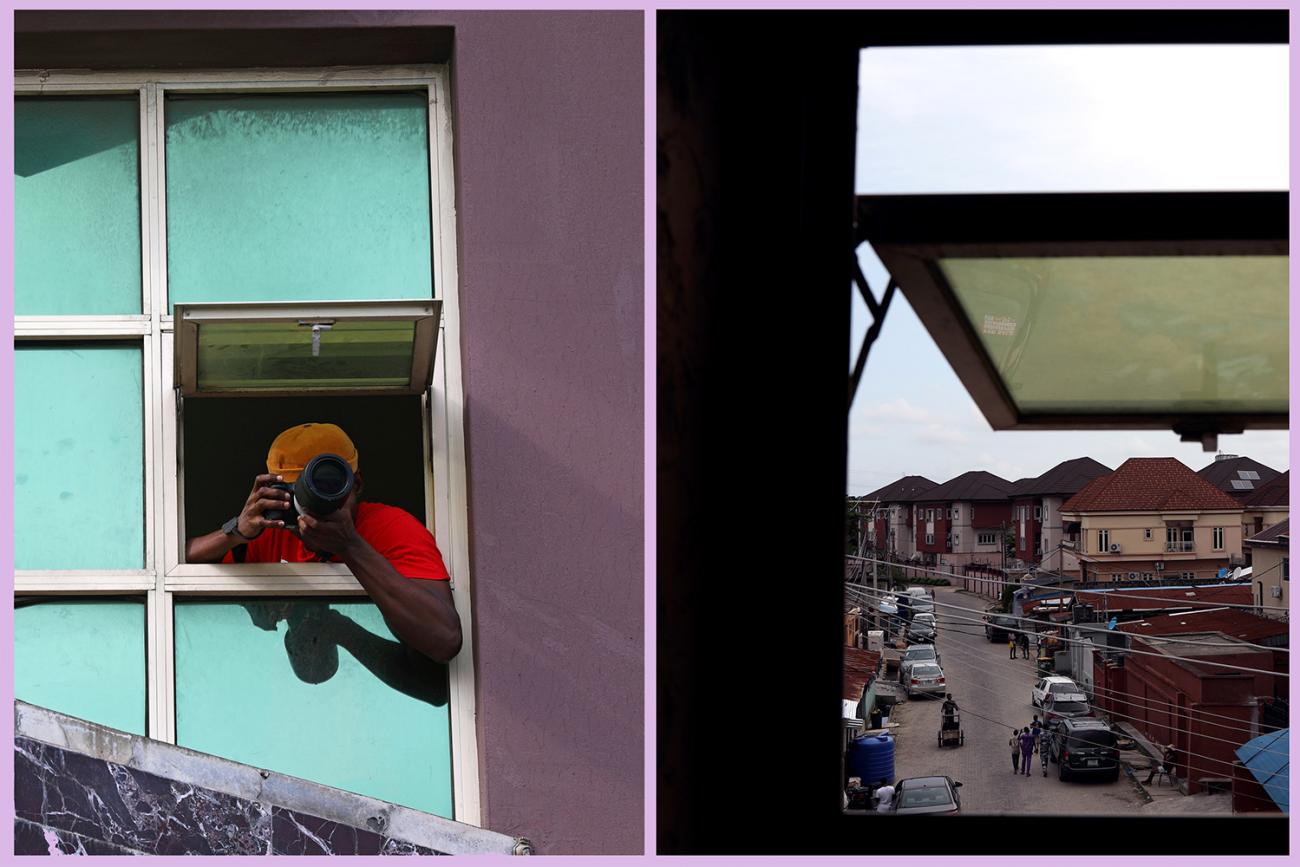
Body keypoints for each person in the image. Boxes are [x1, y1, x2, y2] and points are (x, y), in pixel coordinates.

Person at [186, 423, 463, 663]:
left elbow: (445, 638)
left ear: (357, 484)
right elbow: (170, 565)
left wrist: (350, 546)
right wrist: (236, 532)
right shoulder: (273, 531)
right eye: (301, 495)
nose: (316, 506)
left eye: (331, 489)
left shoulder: (390, 528)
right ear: (277, 493)